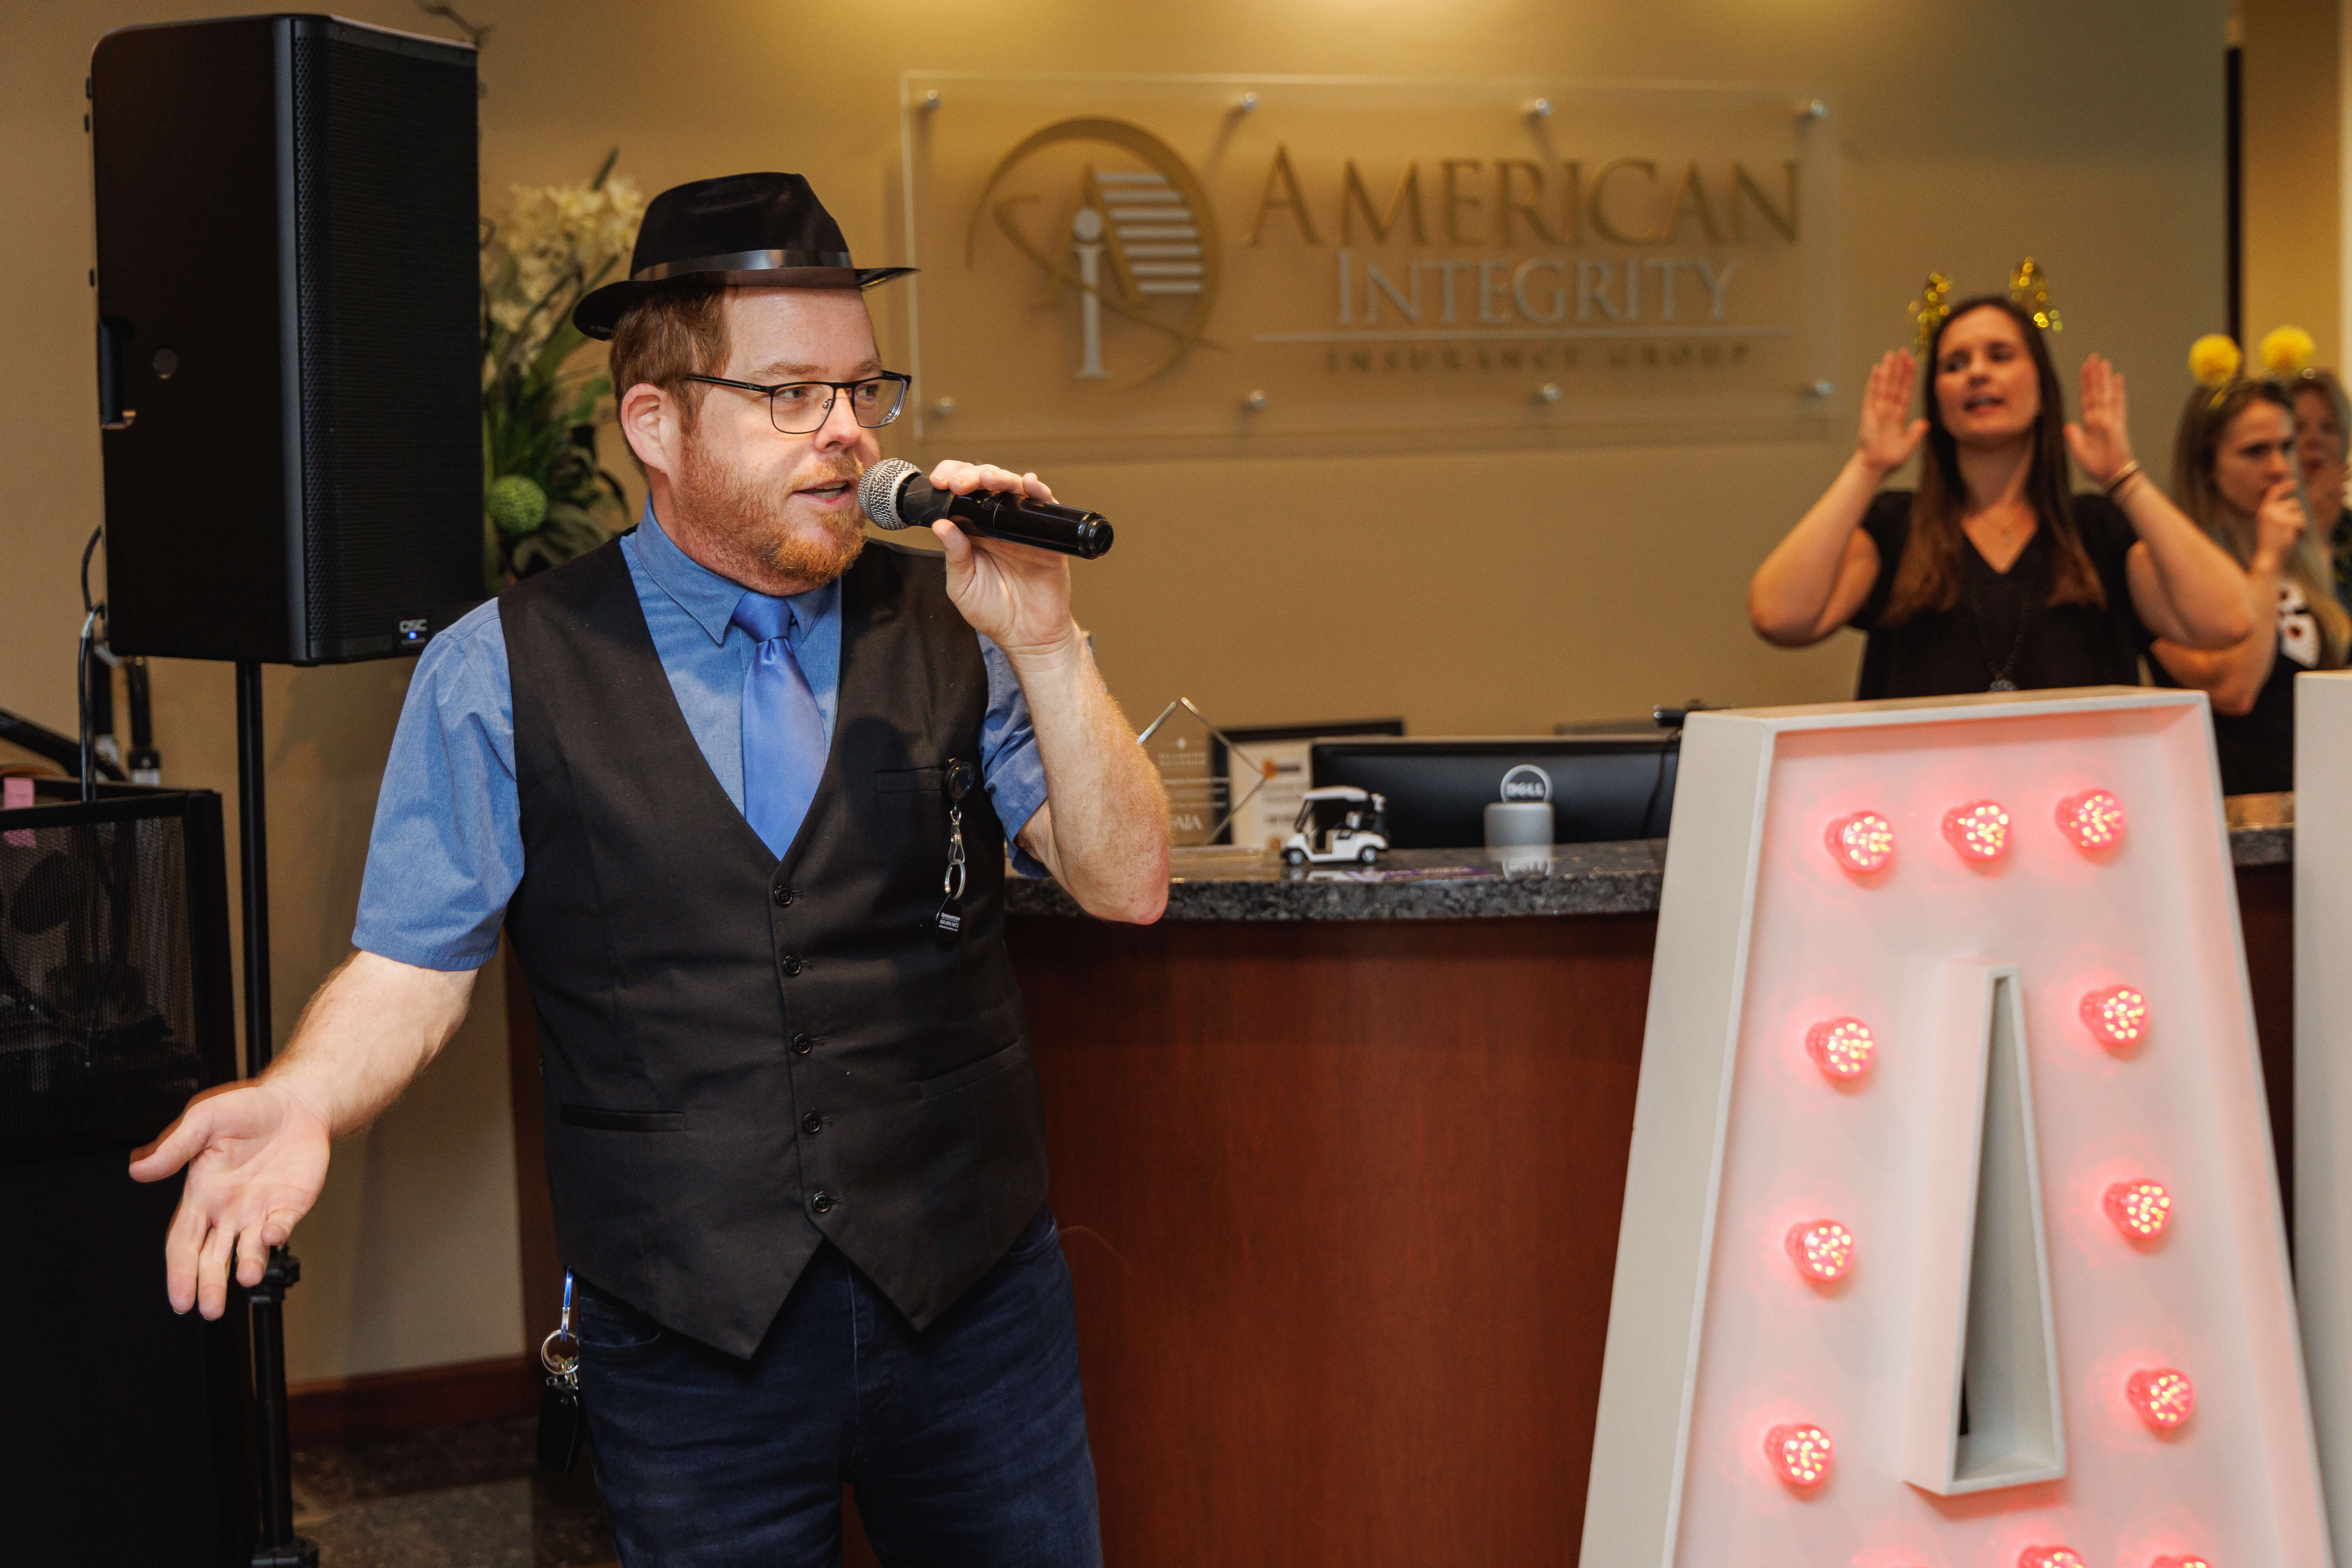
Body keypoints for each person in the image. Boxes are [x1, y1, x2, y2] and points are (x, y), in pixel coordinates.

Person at [128, 173, 1170, 1566]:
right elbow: (412, 966)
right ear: (654, 424)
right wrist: (305, 1093)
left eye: (861, 388)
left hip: (974, 1309)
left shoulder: (957, 623)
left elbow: (1124, 882)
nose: (848, 429)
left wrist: (1042, 638)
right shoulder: (499, 669)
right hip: (690, 1337)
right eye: (789, 393)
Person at [1748, 294, 2255, 695]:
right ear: (1937, 401)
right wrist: (1867, 467)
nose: (1976, 373)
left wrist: (2124, 478)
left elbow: (2229, 620)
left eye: (1999, 355)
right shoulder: (1894, 526)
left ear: (2042, 387)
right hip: (1922, 791)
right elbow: (1778, 616)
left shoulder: (2098, 530)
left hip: (2081, 793)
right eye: (1954, 364)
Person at [2151, 373, 2350, 794]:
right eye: (2255, 452)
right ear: (2206, 466)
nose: (2279, 468)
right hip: (2227, 806)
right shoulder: (2168, 569)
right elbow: (2235, 691)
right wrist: (2266, 562)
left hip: (2318, 802)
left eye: (2286, 447)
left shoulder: (2300, 557)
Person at [2286, 365, 2352, 606]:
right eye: (2298, 428)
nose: (2315, 440)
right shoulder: (2259, 527)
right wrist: (2313, 524)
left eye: (2329, 428)